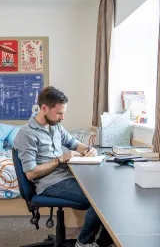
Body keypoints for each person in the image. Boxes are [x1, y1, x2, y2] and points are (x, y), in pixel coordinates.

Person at [14, 86, 113, 247]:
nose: (63, 117)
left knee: (109, 192)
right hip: (49, 184)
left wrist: (88, 150)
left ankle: (103, 243)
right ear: (44, 108)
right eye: (59, 113)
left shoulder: (55, 126)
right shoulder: (27, 134)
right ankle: (84, 242)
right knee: (100, 199)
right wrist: (60, 159)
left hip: (66, 176)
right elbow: (30, 174)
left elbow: (73, 143)